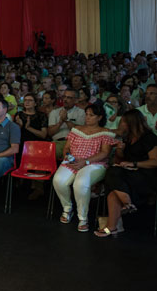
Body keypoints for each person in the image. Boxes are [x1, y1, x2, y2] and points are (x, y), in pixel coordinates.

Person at [52, 103, 116, 232]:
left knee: (80, 183)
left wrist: (85, 162)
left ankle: (83, 218)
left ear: (99, 117)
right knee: (58, 180)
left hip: (94, 164)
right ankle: (67, 208)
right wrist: (68, 157)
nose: (87, 117)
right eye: (87, 114)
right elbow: (66, 147)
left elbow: (104, 153)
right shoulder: (76, 130)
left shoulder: (106, 132)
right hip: (73, 161)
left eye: (91, 115)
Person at [95, 109, 157, 237]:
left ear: (131, 123)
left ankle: (126, 203)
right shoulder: (127, 138)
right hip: (129, 174)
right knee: (113, 181)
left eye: (123, 122)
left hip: (146, 176)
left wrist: (134, 164)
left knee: (114, 176)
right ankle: (114, 224)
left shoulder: (149, 138)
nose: (121, 124)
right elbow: (120, 160)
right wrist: (119, 151)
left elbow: (155, 162)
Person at [15, 93, 49, 200]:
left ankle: (37, 188)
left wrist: (28, 127)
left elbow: (43, 134)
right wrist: (20, 126)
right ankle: (20, 183)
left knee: (37, 152)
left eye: (30, 100)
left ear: (35, 103)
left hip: (37, 145)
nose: (27, 102)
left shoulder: (41, 115)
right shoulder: (19, 114)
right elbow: (14, 134)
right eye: (25, 100)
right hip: (21, 144)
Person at [48, 88, 86, 160]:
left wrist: (66, 120)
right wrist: (60, 122)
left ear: (76, 100)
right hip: (57, 142)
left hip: (74, 144)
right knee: (47, 153)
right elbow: (50, 133)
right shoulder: (54, 112)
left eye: (69, 98)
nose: (65, 99)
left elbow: (80, 132)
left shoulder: (81, 112)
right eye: (64, 97)